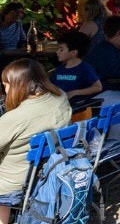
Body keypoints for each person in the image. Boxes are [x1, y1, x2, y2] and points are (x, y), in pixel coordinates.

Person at [0, 59, 72, 223]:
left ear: (18, 85)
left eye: (6, 84)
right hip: (48, 170)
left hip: (13, 184)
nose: (5, 90)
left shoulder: (14, 118)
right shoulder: (60, 96)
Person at [49, 31, 102, 104]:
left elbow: (98, 87)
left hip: (77, 107)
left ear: (74, 52)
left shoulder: (85, 69)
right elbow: (51, 85)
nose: (57, 52)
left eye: (61, 49)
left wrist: (75, 92)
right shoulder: (59, 69)